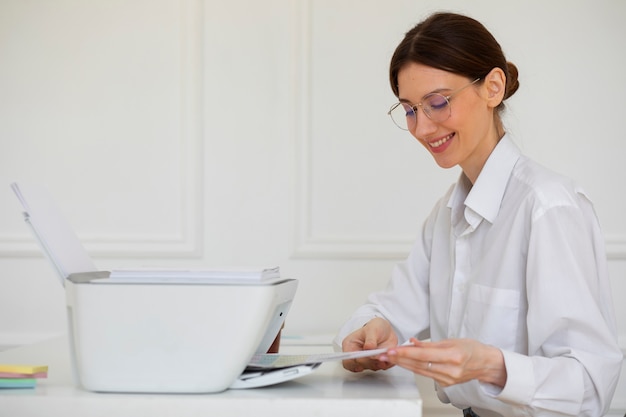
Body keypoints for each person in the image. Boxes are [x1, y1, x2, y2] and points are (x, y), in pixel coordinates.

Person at [333, 12, 622, 417]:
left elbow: (590, 387)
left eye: (437, 103)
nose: (421, 128)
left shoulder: (548, 208)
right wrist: (369, 333)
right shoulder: (445, 217)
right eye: (410, 110)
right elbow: (384, 313)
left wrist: (491, 365)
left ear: (493, 87)